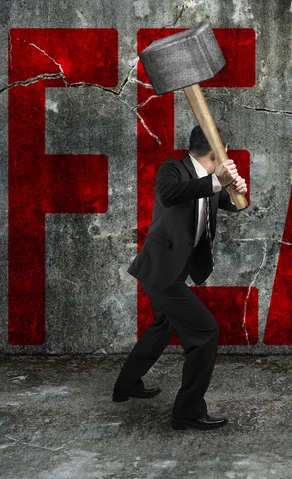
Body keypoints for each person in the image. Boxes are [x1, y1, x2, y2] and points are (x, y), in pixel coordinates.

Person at [112, 125, 247, 431]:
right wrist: (216, 181)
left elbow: (229, 203)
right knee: (206, 333)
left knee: (162, 326)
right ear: (216, 152)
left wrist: (237, 191)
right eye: (224, 152)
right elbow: (169, 194)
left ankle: (125, 385)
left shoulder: (210, 184)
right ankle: (187, 412)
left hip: (174, 271)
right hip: (160, 273)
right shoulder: (173, 168)